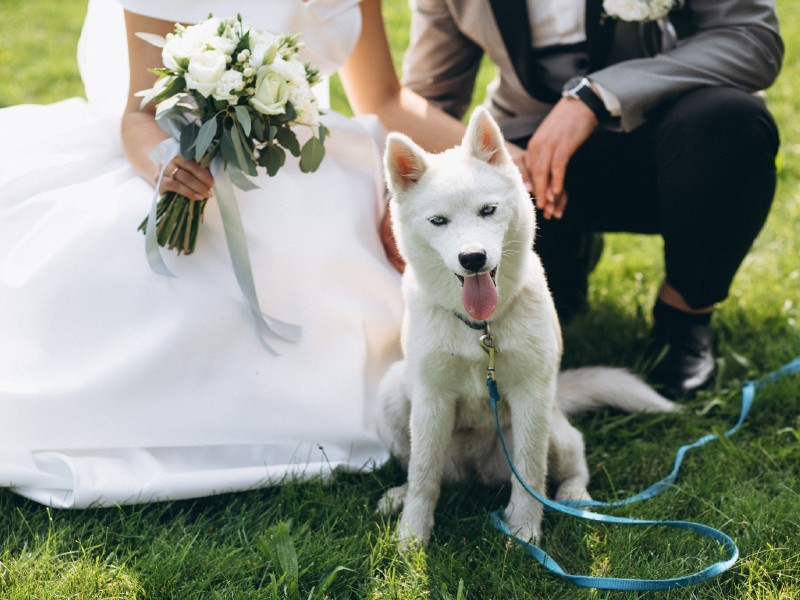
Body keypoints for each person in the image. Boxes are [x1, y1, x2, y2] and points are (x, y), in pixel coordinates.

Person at [0, 0, 469, 508]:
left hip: (310, 161)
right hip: (178, 152)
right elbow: (139, 115)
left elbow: (383, 97)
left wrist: (497, 154)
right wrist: (168, 167)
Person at [401, 0, 783, 398]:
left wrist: (598, 96)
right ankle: (567, 254)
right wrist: (408, 195)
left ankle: (683, 319)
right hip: (530, 158)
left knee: (733, 123)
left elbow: (751, 39)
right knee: (532, 291)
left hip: (664, 140)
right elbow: (431, 97)